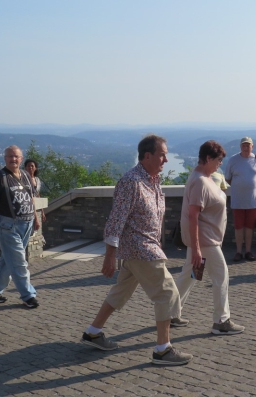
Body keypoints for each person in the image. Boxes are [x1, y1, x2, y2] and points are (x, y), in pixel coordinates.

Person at [80, 134, 192, 366]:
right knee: (167, 293)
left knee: (120, 292)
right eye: (162, 155)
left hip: (144, 247)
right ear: (147, 156)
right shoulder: (131, 181)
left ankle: (93, 332)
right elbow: (115, 220)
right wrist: (110, 256)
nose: (166, 160)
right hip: (140, 249)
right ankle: (163, 349)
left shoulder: (153, 181)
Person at [173, 141, 245, 335]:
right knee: (221, 276)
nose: (221, 163)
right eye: (218, 159)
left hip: (203, 241)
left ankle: (169, 312)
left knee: (191, 275)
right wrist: (196, 248)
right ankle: (221, 321)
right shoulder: (200, 181)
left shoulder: (203, 177)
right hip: (206, 242)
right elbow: (193, 216)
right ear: (207, 158)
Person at [0, 146, 40, 308]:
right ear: (5, 158)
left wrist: (35, 217)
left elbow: (31, 198)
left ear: (21, 158)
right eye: (10, 156)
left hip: (26, 224)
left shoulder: (26, 175)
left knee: (8, 260)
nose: (13, 159)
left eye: (16, 156)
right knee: (19, 261)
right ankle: (28, 295)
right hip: (7, 225)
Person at [224, 136, 256, 262]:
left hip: (253, 201)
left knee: (250, 227)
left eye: (248, 145)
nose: (246, 147)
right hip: (237, 200)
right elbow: (227, 178)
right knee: (238, 227)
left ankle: (248, 251)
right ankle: (238, 252)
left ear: (252, 146)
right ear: (240, 147)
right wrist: (238, 186)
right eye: (243, 145)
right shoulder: (233, 160)